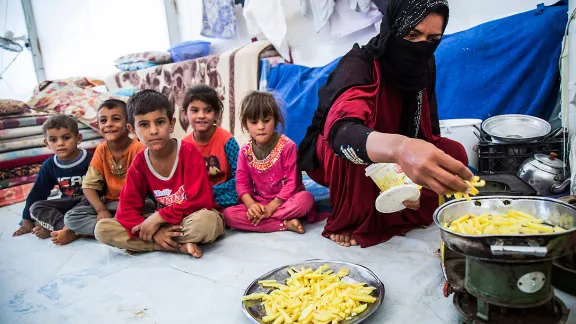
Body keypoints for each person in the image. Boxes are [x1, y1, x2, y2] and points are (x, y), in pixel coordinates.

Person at [298, 0, 474, 248]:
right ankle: (353, 219)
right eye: (412, 34)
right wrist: (401, 150)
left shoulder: (425, 65)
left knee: (454, 155)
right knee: (354, 155)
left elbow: (427, 127)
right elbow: (342, 132)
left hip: (399, 153)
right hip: (349, 152)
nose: (420, 46)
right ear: (394, 27)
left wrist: (411, 181)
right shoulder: (361, 63)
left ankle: (393, 204)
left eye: (432, 39)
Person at [94, 90, 225, 258]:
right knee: (103, 229)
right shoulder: (140, 162)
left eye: (160, 122)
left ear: (171, 124)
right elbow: (126, 210)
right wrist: (156, 231)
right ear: (132, 130)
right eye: (144, 125)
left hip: (190, 219)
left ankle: (153, 244)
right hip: (162, 225)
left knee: (207, 222)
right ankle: (170, 245)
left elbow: (201, 201)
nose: (153, 131)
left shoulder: (188, 152)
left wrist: (159, 217)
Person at [57, 99, 149, 245]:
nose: (109, 124)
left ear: (129, 125)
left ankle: (107, 230)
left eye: (116, 119)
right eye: (103, 120)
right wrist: (100, 210)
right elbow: (88, 185)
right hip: (112, 205)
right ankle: (121, 229)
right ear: (99, 125)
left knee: (150, 209)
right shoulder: (101, 149)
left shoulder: (139, 148)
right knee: (71, 217)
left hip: (138, 203)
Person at [223, 91, 315, 234]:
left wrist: (272, 208)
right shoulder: (244, 152)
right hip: (260, 203)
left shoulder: (288, 147)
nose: (260, 127)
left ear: (276, 120)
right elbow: (241, 184)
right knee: (228, 215)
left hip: (286, 202)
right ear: (245, 124)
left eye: (266, 120)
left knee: (306, 199)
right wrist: (251, 205)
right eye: (254, 122)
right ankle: (284, 224)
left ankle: (263, 221)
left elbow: (292, 182)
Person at [12, 115, 93, 240]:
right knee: (37, 207)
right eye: (54, 140)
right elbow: (38, 192)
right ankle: (65, 228)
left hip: (90, 202)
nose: (60, 143)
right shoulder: (49, 165)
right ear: (47, 143)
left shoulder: (91, 159)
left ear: (78, 138)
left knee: (95, 203)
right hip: (68, 203)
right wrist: (26, 219)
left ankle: (65, 229)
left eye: (66, 138)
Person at [181, 85, 239, 208]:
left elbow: (240, 177)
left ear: (216, 114)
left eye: (208, 110)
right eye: (195, 110)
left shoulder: (227, 140)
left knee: (242, 194)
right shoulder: (183, 146)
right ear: (185, 114)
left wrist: (210, 192)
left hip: (224, 194)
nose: (201, 116)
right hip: (196, 196)